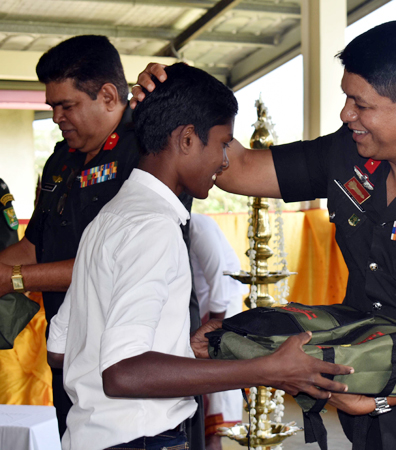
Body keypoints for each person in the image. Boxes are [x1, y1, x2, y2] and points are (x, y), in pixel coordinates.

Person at [134, 20, 396, 450]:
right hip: (371, 424)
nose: (346, 114)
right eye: (346, 98)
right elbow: (241, 168)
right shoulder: (350, 153)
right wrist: (175, 102)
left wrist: (378, 400)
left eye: (361, 104)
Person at [46, 63, 352, 450]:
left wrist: (177, 346)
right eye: (224, 144)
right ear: (188, 139)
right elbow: (121, 373)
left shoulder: (109, 218)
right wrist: (267, 369)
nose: (225, 161)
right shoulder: (153, 227)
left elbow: (61, 348)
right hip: (139, 441)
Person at [0, 35, 141, 434]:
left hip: (127, 352)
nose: (57, 117)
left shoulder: (148, 153)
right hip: (67, 348)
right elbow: (33, 247)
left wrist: (14, 280)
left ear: (109, 95)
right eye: (52, 107)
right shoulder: (61, 159)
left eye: (67, 106)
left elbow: (114, 265)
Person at [189, 212, 245, 449]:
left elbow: (219, 285)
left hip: (219, 316)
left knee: (216, 398)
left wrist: (211, 337)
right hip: (197, 313)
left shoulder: (198, 227)